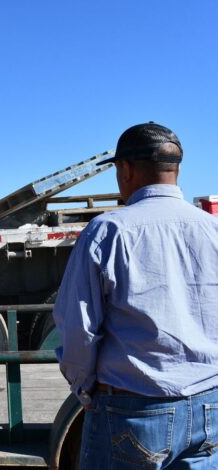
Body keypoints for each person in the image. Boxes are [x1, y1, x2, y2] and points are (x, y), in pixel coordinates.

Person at [52, 122, 218, 469]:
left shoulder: (109, 230)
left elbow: (77, 328)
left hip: (133, 410)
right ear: (176, 170)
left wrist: (84, 390)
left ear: (125, 169)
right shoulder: (212, 229)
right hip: (210, 408)